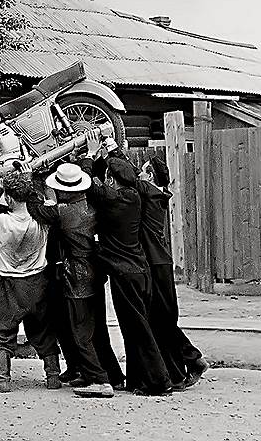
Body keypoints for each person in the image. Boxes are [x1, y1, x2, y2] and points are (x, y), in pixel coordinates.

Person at [79, 129, 172, 396]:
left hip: (125, 275)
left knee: (137, 329)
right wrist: (108, 154)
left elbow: (89, 183)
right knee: (136, 328)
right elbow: (122, 175)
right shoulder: (134, 196)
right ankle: (138, 381)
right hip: (140, 270)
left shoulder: (113, 199)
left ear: (112, 179)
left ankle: (158, 382)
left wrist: (89, 155)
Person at [28, 163, 118, 398]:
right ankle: (100, 374)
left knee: (80, 330)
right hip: (94, 271)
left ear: (65, 190)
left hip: (77, 276)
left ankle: (99, 379)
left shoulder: (65, 212)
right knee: (93, 326)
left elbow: (38, 210)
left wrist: (28, 186)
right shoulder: (89, 206)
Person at [0, 172, 61, 393]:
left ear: (10, 198)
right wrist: (44, 184)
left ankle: (2, 380)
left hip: (11, 285)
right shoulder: (42, 220)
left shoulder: (2, 221)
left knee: (2, 329)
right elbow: (51, 201)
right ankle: (53, 376)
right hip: (38, 282)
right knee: (43, 330)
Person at [137, 156, 209, 388]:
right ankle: (181, 367)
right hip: (159, 262)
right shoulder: (156, 194)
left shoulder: (152, 193)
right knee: (161, 319)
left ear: (150, 176)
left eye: (143, 171)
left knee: (162, 319)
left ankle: (192, 357)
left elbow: (133, 180)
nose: (139, 174)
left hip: (157, 264)